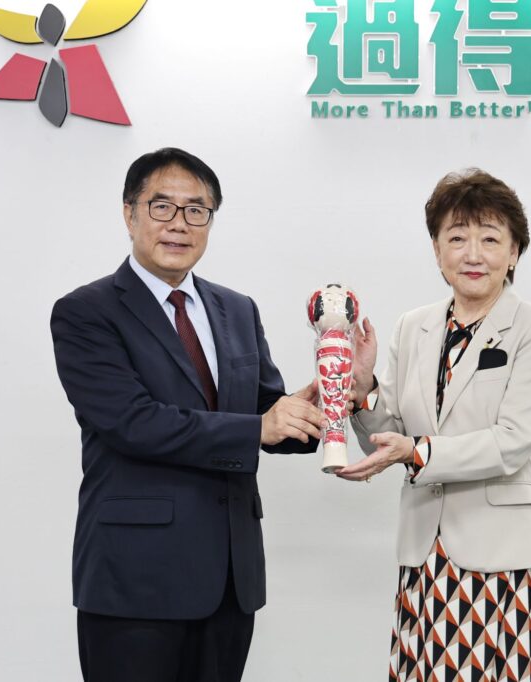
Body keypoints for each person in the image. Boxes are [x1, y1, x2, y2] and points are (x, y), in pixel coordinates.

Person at [50, 147, 325, 682]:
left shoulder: (237, 309)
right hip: (136, 579)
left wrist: (321, 406)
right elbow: (133, 423)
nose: (179, 224)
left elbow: (263, 411)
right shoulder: (86, 312)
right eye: (162, 207)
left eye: (197, 210)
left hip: (230, 578)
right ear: (129, 213)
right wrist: (260, 427)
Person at [341, 169, 531, 681]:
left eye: (490, 239)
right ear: (437, 250)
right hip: (427, 558)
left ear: (514, 252)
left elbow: (512, 442)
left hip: (510, 561)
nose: (473, 254)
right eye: (457, 238)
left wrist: (416, 452)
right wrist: (363, 389)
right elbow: (390, 431)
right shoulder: (413, 326)